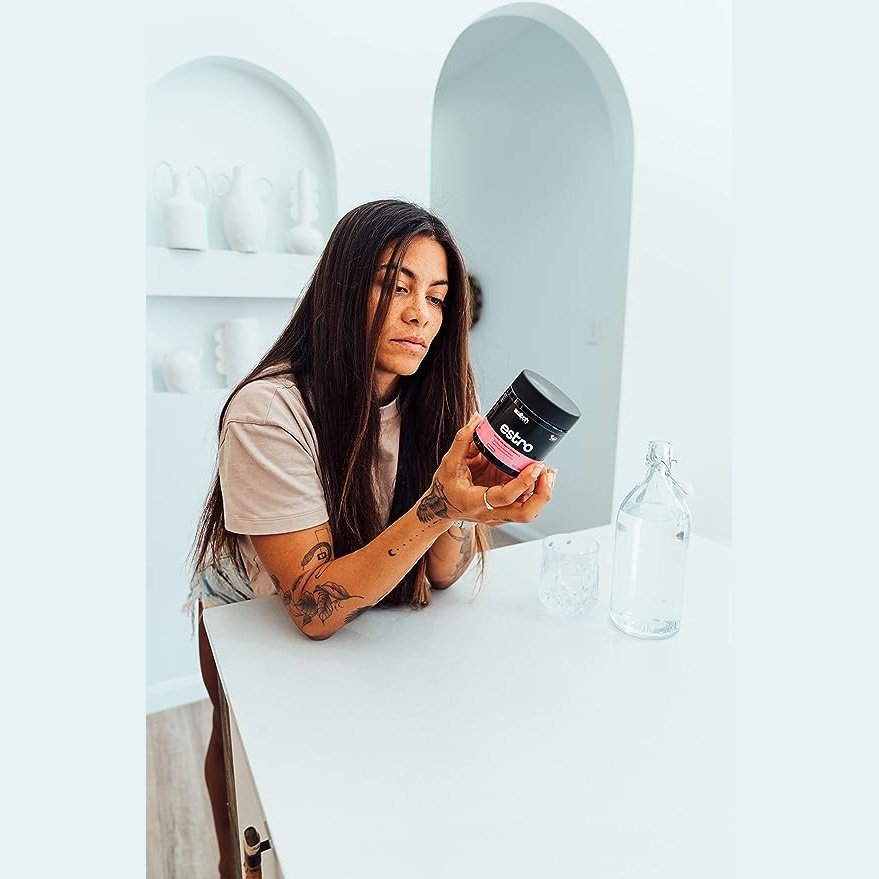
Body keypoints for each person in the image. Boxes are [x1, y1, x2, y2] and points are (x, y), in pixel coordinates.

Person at [184, 199, 558, 877]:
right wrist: (438, 506)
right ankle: (228, 865)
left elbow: (440, 574)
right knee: (239, 744)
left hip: (364, 597)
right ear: (342, 287)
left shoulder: (440, 396)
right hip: (248, 608)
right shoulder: (268, 411)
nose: (421, 314)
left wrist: (469, 507)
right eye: (395, 286)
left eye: (437, 298)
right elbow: (312, 607)